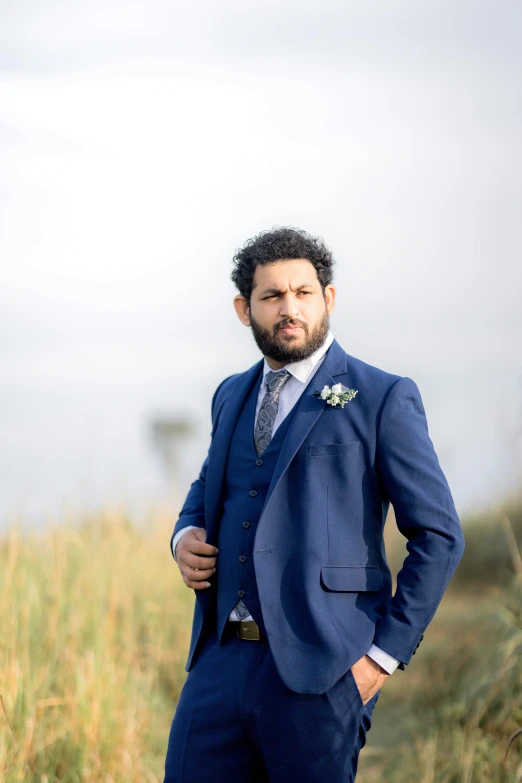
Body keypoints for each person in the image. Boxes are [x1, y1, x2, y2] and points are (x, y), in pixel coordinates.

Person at [163, 226, 465, 782]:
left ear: (328, 298)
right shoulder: (230, 393)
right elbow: (208, 491)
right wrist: (183, 537)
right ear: (243, 308)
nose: (289, 308)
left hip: (323, 670)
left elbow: (440, 536)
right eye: (272, 296)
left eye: (303, 292)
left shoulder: (382, 396)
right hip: (219, 661)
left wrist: (379, 661)